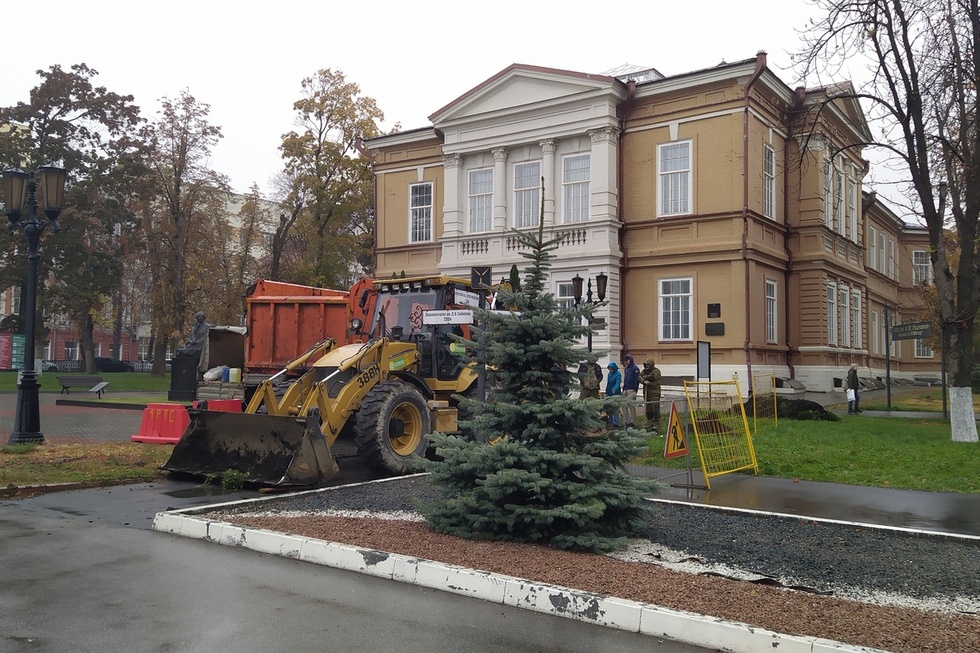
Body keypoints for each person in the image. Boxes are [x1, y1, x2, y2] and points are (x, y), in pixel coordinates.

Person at [639, 357, 662, 431]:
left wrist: (645, 378)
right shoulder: (644, 371)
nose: (646, 366)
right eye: (645, 365)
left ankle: (656, 424)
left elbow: (652, 377)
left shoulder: (656, 371)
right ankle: (649, 423)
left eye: (648, 365)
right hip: (647, 393)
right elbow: (639, 377)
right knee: (648, 410)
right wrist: (643, 381)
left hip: (654, 393)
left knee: (655, 409)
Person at [622, 354, 640, 427]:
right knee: (624, 406)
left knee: (631, 406)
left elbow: (636, 380)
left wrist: (635, 389)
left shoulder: (635, 368)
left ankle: (633, 422)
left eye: (627, 360)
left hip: (631, 389)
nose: (626, 362)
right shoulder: (626, 369)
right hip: (625, 389)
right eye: (625, 360)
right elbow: (625, 379)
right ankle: (626, 421)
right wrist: (623, 389)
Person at [605, 361, 622, 427]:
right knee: (609, 408)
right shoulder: (609, 374)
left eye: (611, 369)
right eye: (609, 369)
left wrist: (615, 389)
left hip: (616, 393)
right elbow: (608, 383)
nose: (610, 370)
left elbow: (618, 383)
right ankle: (610, 421)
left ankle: (616, 422)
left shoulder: (618, 374)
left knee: (615, 409)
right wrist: (606, 392)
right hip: (609, 392)